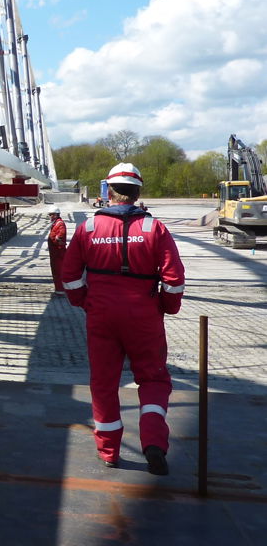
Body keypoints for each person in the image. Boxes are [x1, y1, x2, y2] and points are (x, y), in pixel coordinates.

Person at [61, 162, 185, 475]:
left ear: (110, 191)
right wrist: (168, 307)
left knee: (103, 382)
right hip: (144, 314)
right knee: (154, 378)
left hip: (101, 314)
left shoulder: (88, 228)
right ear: (137, 192)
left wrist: (83, 301)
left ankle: (109, 451)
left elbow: (70, 275)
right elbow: (173, 278)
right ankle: (154, 441)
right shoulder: (154, 228)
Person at [46, 206, 67, 295]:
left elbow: (61, 234)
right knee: (56, 271)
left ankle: (60, 290)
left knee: (58, 271)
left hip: (58, 252)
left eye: (52, 214)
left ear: (56, 214)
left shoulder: (60, 224)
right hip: (55, 252)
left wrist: (57, 239)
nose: (50, 216)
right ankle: (58, 289)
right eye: (50, 215)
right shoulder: (55, 223)